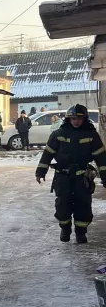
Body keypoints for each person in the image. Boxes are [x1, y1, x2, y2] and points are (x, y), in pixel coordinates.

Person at [36, 104, 106, 243]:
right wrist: (40, 172)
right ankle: (65, 229)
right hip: (63, 177)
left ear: (84, 119)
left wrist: (105, 177)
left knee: (83, 205)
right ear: (68, 119)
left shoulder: (91, 135)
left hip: (82, 177)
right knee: (63, 205)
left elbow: (101, 158)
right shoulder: (58, 134)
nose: (76, 121)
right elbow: (47, 154)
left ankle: (81, 233)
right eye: (73, 118)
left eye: (79, 118)